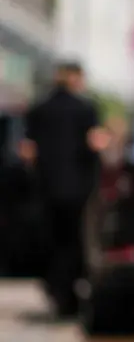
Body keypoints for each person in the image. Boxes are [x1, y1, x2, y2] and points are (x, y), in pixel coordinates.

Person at [19, 62, 108, 317]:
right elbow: (96, 143)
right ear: (76, 79)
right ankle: (75, 294)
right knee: (78, 242)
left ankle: (59, 293)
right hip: (80, 190)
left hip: (46, 189)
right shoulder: (86, 109)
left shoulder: (38, 110)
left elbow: (27, 152)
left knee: (53, 242)